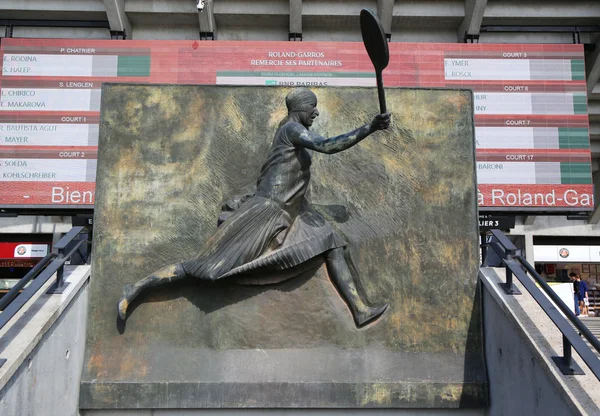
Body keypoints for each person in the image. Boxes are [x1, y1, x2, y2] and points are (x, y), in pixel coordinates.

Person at [117, 87, 391, 327]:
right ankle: (138, 287)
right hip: (265, 215)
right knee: (205, 267)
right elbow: (329, 146)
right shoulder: (292, 129)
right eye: (313, 108)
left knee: (333, 244)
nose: (316, 113)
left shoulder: (291, 134)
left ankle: (360, 310)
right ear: (302, 109)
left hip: (290, 214)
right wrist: (370, 127)